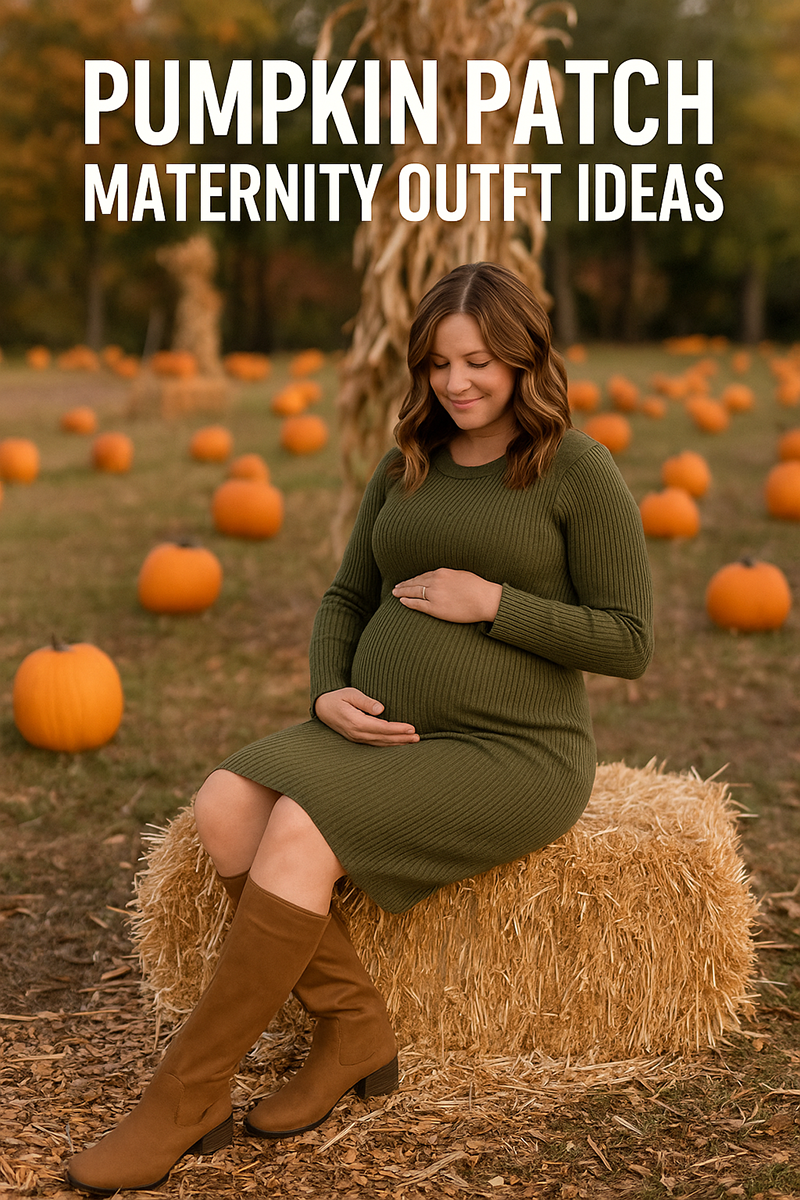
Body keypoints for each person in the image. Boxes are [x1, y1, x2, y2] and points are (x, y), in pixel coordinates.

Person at [66, 261, 654, 1194]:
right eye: (436, 364)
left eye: (478, 363)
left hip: (513, 750)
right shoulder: (406, 464)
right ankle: (354, 1030)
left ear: (524, 359)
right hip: (384, 730)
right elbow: (347, 596)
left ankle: (186, 1095)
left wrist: (493, 600)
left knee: (299, 830)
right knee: (225, 805)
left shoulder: (572, 468)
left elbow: (629, 640)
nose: (456, 384)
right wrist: (327, 691)